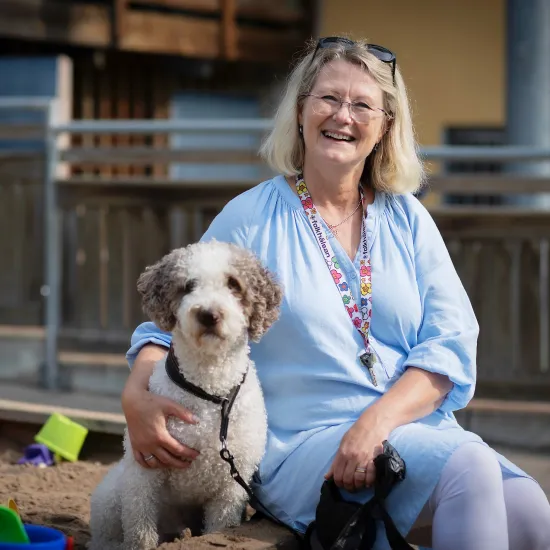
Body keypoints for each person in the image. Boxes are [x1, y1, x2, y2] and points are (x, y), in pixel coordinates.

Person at [122, 37, 550, 549]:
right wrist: (135, 398)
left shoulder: (407, 217)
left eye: (362, 104)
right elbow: (168, 321)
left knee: (530, 514)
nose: (342, 115)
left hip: (410, 429)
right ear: (301, 109)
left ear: (386, 126)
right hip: (301, 445)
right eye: (327, 98)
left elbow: (451, 342)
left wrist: (375, 424)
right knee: (471, 468)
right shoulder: (252, 217)